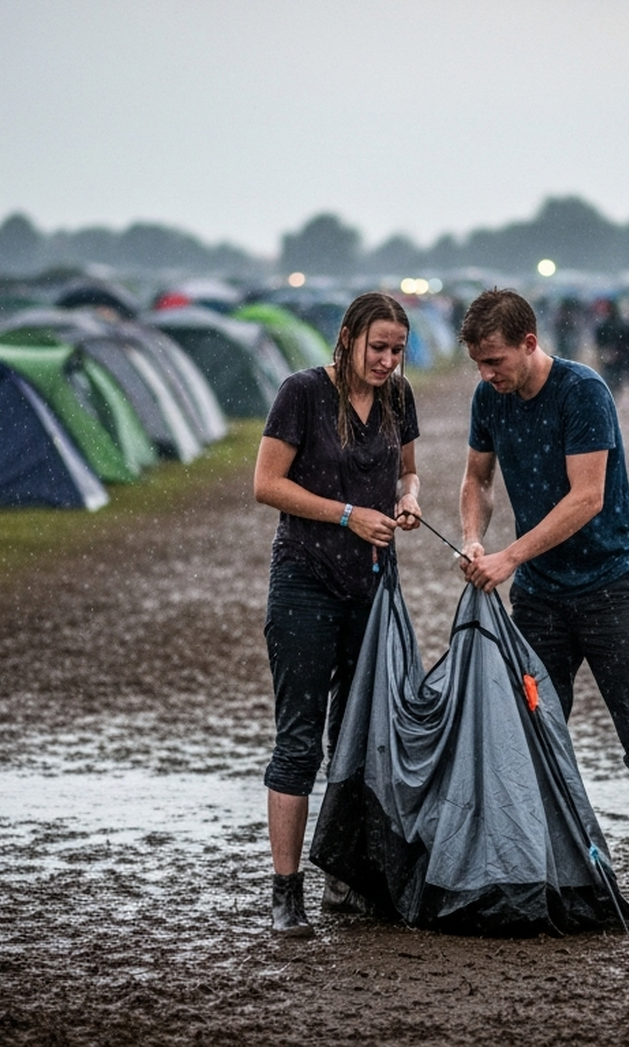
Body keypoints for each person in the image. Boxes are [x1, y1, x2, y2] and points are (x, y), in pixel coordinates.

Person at [456, 288, 629, 930]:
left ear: (530, 343)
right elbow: (478, 481)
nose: (488, 376)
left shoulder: (584, 391)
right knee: (533, 735)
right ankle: (551, 876)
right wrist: (474, 536)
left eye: (496, 361)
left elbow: (586, 497)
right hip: (539, 599)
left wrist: (508, 558)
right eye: (480, 364)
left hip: (611, 585)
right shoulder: (491, 398)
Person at [252, 291, 422, 937]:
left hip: (374, 586)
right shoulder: (301, 392)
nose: (385, 360)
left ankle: (344, 878)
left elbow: (410, 472)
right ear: (347, 337)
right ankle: (285, 890)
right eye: (376, 346)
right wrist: (347, 513)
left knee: (356, 740)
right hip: (305, 582)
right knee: (298, 739)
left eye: (396, 350)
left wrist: (407, 501)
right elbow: (267, 483)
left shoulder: (400, 399)